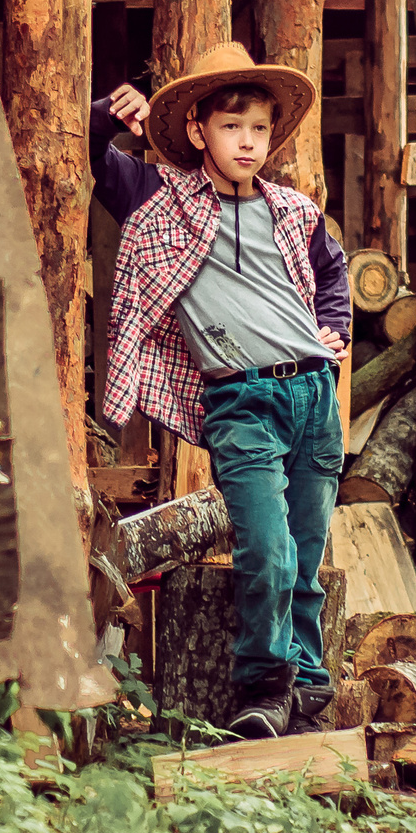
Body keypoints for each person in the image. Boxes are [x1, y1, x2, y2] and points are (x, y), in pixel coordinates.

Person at [91, 42, 351, 739]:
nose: (247, 141)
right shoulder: (162, 199)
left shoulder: (292, 212)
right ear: (199, 128)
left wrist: (334, 327)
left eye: (260, 128)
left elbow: (333, 270)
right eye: (232, 125)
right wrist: (108, 112)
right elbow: (95, 161)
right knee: (265, 548)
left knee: (303, 555)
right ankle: (262, 689)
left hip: (315, 400)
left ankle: (308, 692)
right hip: (242, 403)